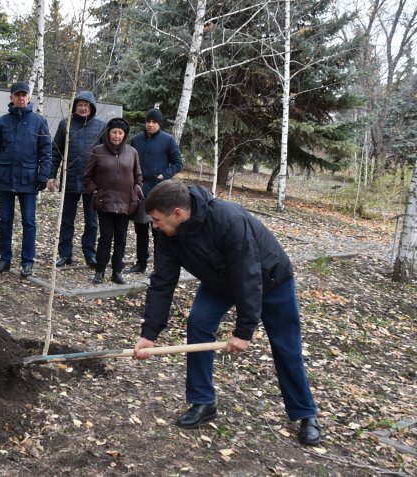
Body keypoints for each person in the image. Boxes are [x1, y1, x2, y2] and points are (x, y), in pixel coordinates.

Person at [132, 180, 321, 446]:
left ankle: (305, 413)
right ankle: (203, 402)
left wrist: (244, 331)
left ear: (178, 213)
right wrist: (149, 333)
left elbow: (248, 275)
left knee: (286, 346)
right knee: (199, 322)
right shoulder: (166, 233)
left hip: (270, 279)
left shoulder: (227, 219)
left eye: (157, 220)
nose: (154, 225)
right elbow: (162, 281)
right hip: (220, 281)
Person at [0, 81, 52, 278]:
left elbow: (46, 152)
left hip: (29, 180)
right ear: (11, 98)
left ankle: (27, 261)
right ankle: (5, 259)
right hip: (6, 180)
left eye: (24, 95)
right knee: (5, 220)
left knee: (29, 222)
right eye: (18, 95)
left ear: (29, 97)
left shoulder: (39, 121)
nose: (21, 98)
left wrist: (43, 176)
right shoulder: (2, 122)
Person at [48, 91, 105, 270]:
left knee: (92, 221)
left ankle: (90, 254)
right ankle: (65, 253)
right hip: (70, 180)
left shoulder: (101, 127)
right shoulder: (65, 124)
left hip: (92, 182)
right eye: (80, 104)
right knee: (66, 220)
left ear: (92, 107)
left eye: (86, 105)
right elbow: (55, 151)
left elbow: (107, 154)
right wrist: (52, 175)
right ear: (75, 106)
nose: (82, 108)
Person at [82, 118, 143, 286]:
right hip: (105, 203)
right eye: (114, 132)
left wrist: (136, 191)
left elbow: (138, 176)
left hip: (126, 204)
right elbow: (87, 177)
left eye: (120, 133)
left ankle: (117, 272)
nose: (117, 136)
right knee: (105, 237)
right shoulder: (98, 151)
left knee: (121, 239)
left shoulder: (132, 152)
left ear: (125, 135)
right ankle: (100, 271)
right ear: (108, 133)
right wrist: (95, 191)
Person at [126, 107, 183, 274]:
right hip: (140, 190)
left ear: (159, 124)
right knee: (140, 229)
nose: (150, 125)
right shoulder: (136, 140)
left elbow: (178, 163)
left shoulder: (168, 140)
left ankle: (159, 266)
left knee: (159, 231)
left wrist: (164, 175)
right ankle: (141, 263)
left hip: (160, 193)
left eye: (154, 122)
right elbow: (129, 161)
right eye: (148, 121)